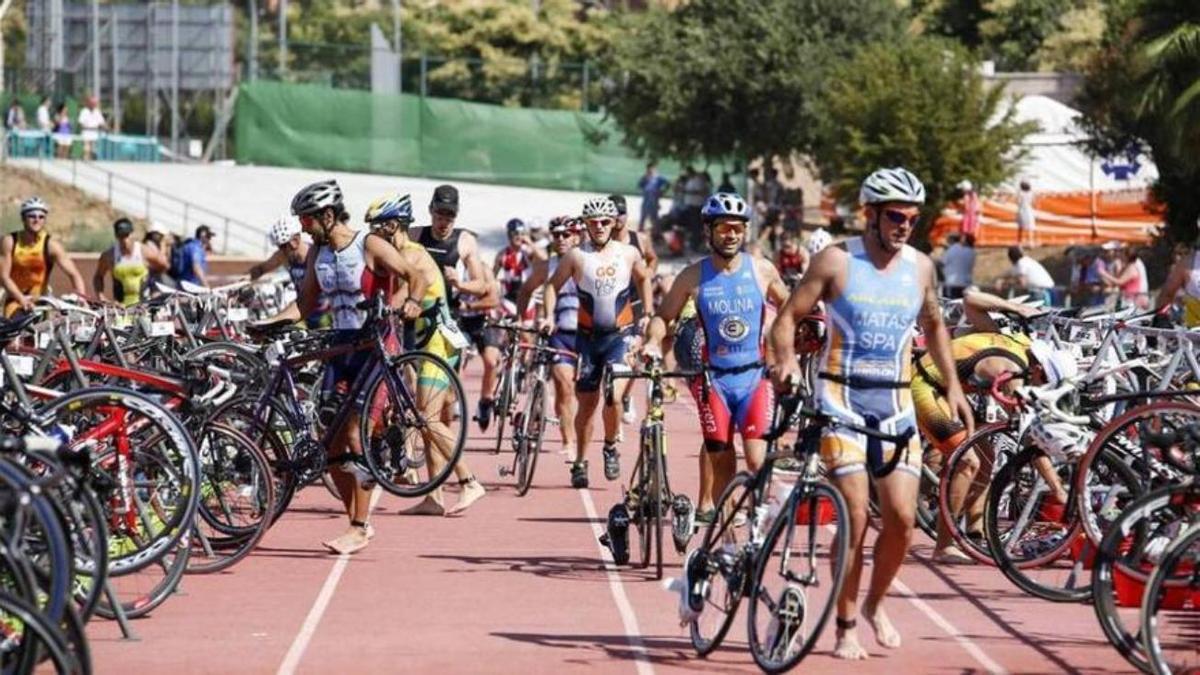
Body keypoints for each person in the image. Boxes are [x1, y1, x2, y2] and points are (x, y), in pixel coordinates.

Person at [770, 167, 972, 660]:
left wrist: (953, 385)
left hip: (897, 402)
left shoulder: (921, 267)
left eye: (913, 217)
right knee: (856, 516)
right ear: (872, 215)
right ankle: (843, 624)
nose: (906, 225)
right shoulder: (836, 261)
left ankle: (875, 604)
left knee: (903, 520)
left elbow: (935, 326)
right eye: (897, 216)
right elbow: (788, 318)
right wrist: (788, 362)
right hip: (840, 400)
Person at [290, 179, 426, 554]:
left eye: (307, 220)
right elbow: (304, 305)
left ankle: (360, 525)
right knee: (330, 442)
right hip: (339, 346)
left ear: (328, 216)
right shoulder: (319, 255)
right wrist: (269, 323)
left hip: (375, 345)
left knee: (355, 432)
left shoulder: (369, 244)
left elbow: (417, 276)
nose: (303, 228)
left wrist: (412, 302)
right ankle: (355, 518)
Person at [640, 192, 789, 535]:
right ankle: (727, 534)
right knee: (721, 459)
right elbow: (664, 316)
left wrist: (809, 325)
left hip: (755, 378)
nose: (731, 235)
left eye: (737, 228)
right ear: (710, 231)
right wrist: (651, 340)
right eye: (724, 228)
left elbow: (791, 306)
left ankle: (757, 526)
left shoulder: (762, 269)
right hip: (714, 383)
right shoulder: (693, 276)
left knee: (756, 460)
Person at [363, 192, 485, 517]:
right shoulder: (403, 252)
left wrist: (386, 309)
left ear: (391, 227)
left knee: (428, 419)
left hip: (438, 346)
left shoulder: (413, 256)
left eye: (376, 229)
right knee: (424, 417)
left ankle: (470, 481)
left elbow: (404, 295)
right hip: (423, 344)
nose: (373, 236)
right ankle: (434, 497)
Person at [541, 197, 653, 488]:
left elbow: (645, 278)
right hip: (588, 339)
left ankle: (610, 446)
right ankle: (579, 461)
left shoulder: (628, 253)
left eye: (605, 222)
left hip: (622, 335)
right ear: (586, 225)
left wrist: (648, 314)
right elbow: (551, 286)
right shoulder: (576, 256)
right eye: (594, 222)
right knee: (587, 405)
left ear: (614, 222)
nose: (600, 227)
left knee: (614, 395)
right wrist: (548, 316)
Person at [410, 185, 499, 425]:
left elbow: (482, 285)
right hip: (414, 318)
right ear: (430, 210)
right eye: (440, 214)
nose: (444, 221)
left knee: (448, 392)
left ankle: (443, 442)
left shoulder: (464, 240)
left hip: (448, 320)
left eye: (450, 215)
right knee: (408, 382)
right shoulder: (415, 235)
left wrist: (459, 284)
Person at [517, 216, 581, 459]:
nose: (561, 239)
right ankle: (568, 441)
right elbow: (525, 291)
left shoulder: (590, 263)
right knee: (564, 387)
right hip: (559, 335)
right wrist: (522, 319)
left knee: (581, 393)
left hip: (587, 336)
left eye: (566, 234)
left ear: (577, 236)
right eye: (556, 235)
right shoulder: (546, 266)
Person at [609, 193, 658, 425]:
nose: (617, 219)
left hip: (636, 304)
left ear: (626, 215)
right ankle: (617, 397)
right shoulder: (603, 239)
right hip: (611, 305)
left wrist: (648, 274)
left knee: (634, 357)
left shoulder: (640, 238)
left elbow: (652, 258)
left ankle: (626, 395)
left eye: (620, 214)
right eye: (613, 214)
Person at [0, 197, 88, 317]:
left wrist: (81, 298)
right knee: (13, 334)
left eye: (41, 217)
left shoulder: (51, 245)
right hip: (15, 299)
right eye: (32, 216)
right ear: (23, 218)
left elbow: (74, 274)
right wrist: (21, 299)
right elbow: (4, 277)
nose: (37, 220)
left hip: (41, 302)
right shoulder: (10, 241)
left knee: (46, 334)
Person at [92, 217, 166, 306]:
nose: (125, 240)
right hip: (120, 308)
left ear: (132, 234)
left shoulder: (144, 251)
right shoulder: (109, 256)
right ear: (116, 236)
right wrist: (101, 296)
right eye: (121, 237)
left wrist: (154, 288)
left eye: (127, 235)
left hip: (144, 307)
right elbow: (98, 276)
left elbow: (163, 266)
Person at [493, 218, 534, 310]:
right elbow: (492, 277)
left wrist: (530, 243)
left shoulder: (528, 252)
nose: (519, 237)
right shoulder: (502, 255)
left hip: (528, 297)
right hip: (510, 298)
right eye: (515, 234)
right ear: (509, 235)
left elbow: (543, 263)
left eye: (521, 234)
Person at [940, 233, 976, 299]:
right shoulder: (972, 252)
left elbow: (942, 263)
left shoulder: (952, 249)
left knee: (950, 303)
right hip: (966, 283)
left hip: (952, 283)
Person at [637, 162, 670, 233]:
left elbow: (667, 184)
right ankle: (640, 230)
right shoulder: (645, 177)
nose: (649, 170)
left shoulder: (658, 177)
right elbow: (640, 185)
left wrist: (662, 191)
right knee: (643, 215)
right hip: (646, 199)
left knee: (654, 216)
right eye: (648, 168)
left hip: (654, 199)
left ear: (654, 169)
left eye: (651, 168)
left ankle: (656, 232)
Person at [143, 222, 173, 291]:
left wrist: (168, 247)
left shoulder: (155, 246)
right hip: (150, 281)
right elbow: (164, 263)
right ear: (154, 234)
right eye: (160, 235)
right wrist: (163, 245)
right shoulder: (149, 245)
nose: (161, 237)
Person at [78, 96, 107, 161]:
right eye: (92, 103)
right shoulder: (84, 111)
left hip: (95, 134)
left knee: (93, 151)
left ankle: (91, 161)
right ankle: (85, 161)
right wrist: (88, 127)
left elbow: (102, 122)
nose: (94, 104)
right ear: (89, 103)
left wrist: (105, 127)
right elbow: (81, 123)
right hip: (86, 133)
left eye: (95, 103)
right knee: (86, 149)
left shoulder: (97, 112)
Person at [1016, 180, 1035, 246]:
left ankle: (1019, 242)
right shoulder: (1031, 193)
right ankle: (1030, 242)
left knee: (1020, 227)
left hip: (1022, 210)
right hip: (1029, 211)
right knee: (1030, 227)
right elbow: (1033, 202)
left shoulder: (1020, 193)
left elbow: (1018, 202)